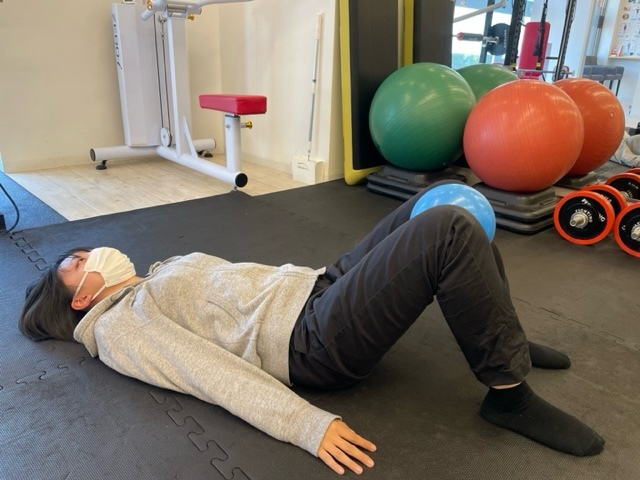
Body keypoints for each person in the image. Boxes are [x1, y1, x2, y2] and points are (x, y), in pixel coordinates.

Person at [18, 187, 605, 476]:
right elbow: (205, 373)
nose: (93, 252)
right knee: (448, 229)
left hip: (317, 288)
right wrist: (304, 424)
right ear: (83, 298)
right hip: (312, 343)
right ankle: (508, 395)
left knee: (430, 206)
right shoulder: (119, 325)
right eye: (79, 262)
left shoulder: (153, 274)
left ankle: (502, 337)